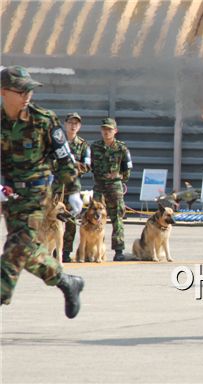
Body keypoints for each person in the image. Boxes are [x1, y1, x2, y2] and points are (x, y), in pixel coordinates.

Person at [0, 65, 84, 318]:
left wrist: (73, 191)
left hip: (36, 198)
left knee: (15, 250)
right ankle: (66, 281)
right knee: (28, 251)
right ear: (4, 92)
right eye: (21, 91)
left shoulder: (43, 120)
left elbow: (64, 159)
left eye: (30, 91)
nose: (27, 96)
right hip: (9, 197)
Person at [91, 118, 132, 261]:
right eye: (104, 129)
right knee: (95, 219)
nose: (106, 132)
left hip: (115, 187)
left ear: (115, 131)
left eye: (109, 129)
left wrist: (118, 175)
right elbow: (90, 166)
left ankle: (119, 251)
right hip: (99, 187)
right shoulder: (95, 146)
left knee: (117, 218)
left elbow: (128, 170)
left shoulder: (122, 148)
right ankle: (95, 250)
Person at [52, 112, 91, 262]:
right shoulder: (57, 142)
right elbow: (49, 161)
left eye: (76, 124)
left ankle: (65, 252)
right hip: (56, 186)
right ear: (65, 124)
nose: (73, 126)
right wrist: (63, 163)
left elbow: (87, 166)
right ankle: (51, 249)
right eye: (70, 123)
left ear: (79, 126)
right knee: (51, 218)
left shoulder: (83, 145)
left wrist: (73, 164)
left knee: (70, 220)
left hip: (72, 188)